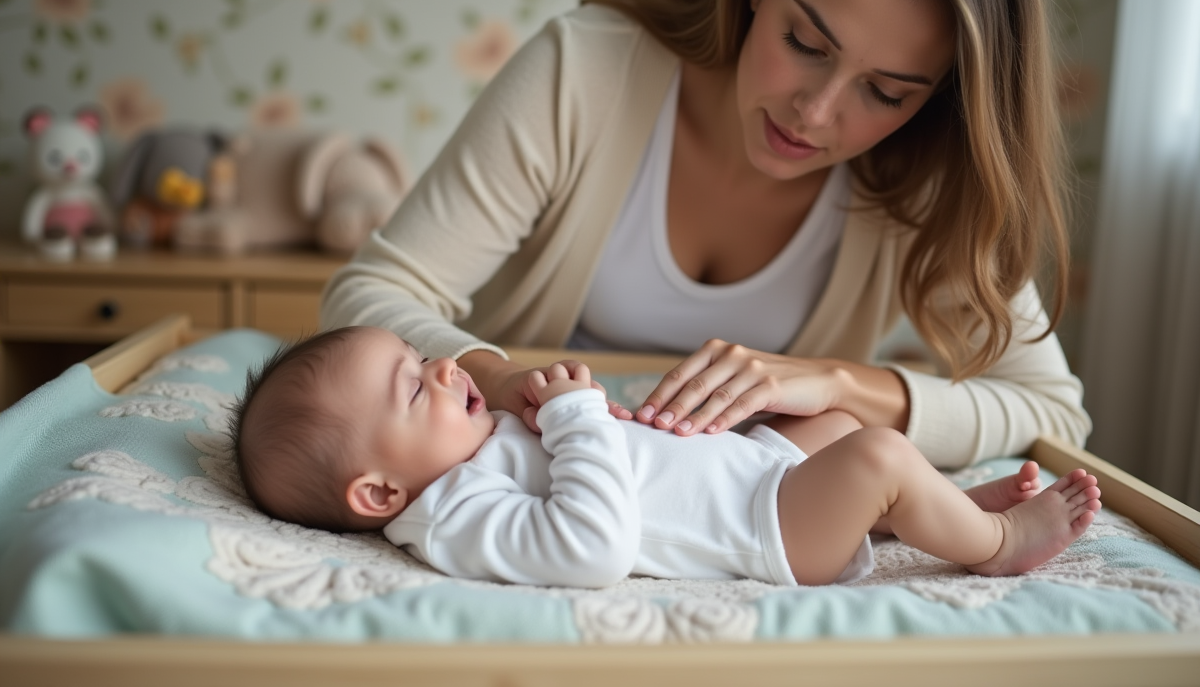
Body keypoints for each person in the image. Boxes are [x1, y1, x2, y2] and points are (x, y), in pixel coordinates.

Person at [321, 0, 1090, 471]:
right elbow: (370, 296)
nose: (815, 112)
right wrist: (503, 381)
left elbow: (1051, 410)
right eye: (804, 41)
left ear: (941, 97)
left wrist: (838, 385)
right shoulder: (584, 75)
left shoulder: (928, 176)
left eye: (885, 92)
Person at [231, 326, 1102, 588]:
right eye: (414, 388)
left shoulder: (462, 452)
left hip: (748, 471)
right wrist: (574, 424)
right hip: (759, 530)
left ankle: (947, 514)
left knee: (838, 423)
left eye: (422, 357)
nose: (445, 367)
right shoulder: (453, 518)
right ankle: (997, 545)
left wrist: (543, 410)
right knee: (875, 456)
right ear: (380, 492)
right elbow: (590, 547)